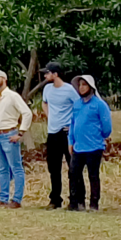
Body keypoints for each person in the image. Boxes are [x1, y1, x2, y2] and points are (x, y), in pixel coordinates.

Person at [0, 69, 31, 208]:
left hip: (9, 133)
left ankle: (16, 199)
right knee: (2, 168)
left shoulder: (12, 96)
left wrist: (20, 133)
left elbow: (27, 113)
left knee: (15, 167)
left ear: (4, 79)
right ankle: (3, 197)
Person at [63, 75, 112, 210]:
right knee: (73, 174)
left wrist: (99, 136)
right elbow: (72, 123)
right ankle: (75, 202)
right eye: (80, 85)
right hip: (78, 146)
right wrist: (71, 141)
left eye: (84, 85)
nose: (81, 87)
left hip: (94, 147)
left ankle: (94, 203)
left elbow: (107, 126)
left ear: (91, 87)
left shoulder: (99, 104)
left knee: (93, 175)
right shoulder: (77, 104)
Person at [40, 63, 73, 210]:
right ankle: (55, 199)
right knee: (54, 168)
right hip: (52, 132)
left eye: (47, 73)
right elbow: (44, 103)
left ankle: (74, 198)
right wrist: (50, 117)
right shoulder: (47, 89)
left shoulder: (69, 90)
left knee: (72, 167)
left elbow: (78, 106)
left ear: (56, 74)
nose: (45, 76)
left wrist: (72, 124)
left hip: (66, 133)